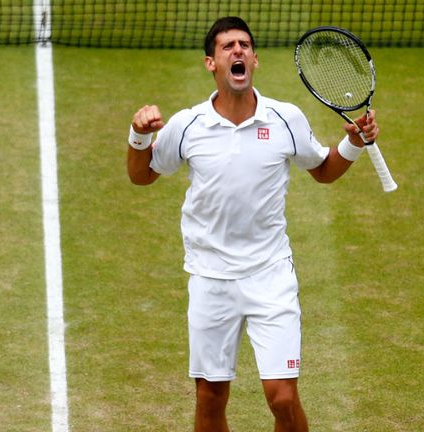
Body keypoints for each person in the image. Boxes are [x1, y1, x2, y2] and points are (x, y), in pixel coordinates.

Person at [126, 16, 379, 432]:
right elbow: (142, 174)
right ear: (211, 63)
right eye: (228, 47)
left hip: (270, 274)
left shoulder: (285, 119)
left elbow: (323, 170)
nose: (237, 51)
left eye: (244, 45)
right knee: (210, 398)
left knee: (282, 397)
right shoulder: (187, 124)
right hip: (210, 277)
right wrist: (138, 136)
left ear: (255, 60)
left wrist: (353, 142)